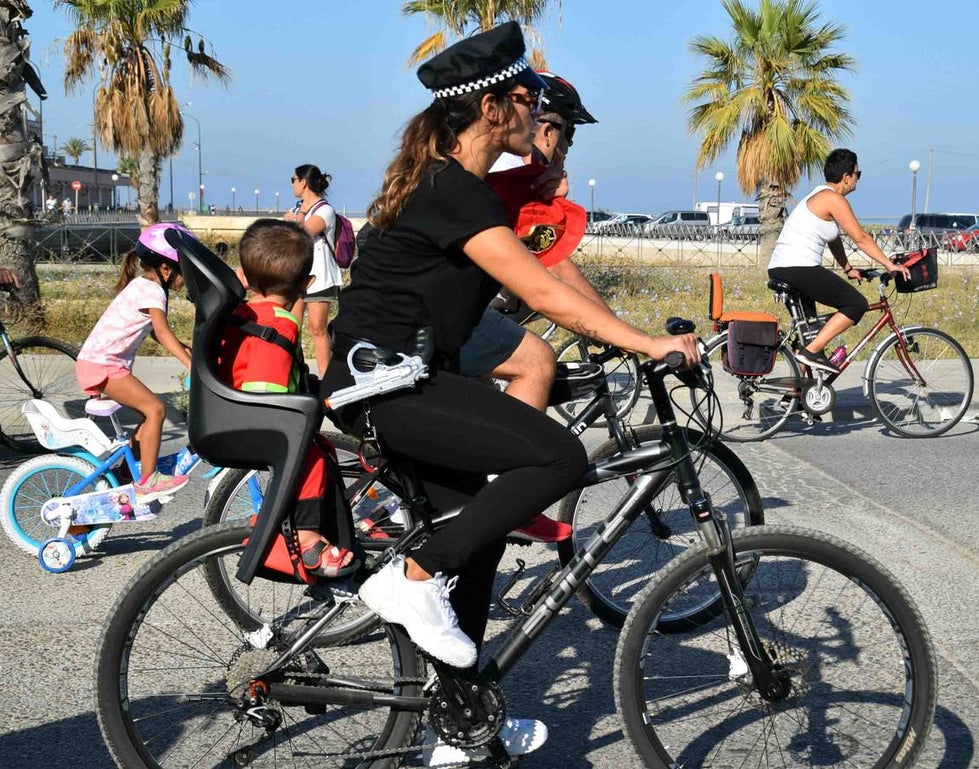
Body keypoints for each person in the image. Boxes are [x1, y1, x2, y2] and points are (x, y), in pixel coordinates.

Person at [319, 22, 698, 765]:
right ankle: (412, 577)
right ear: (493, 109)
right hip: (384, 385)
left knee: (481, 536)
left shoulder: (449, 183)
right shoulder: (453, 190)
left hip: (399, 379)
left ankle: (460, 726)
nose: (539, 112)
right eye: (528, 99)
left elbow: (545, 280)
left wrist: (622, 331)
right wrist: (650, 343)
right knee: (558, 457)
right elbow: (541, 291)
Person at [450, 71, 601, 544]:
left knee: (469, 420)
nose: (566, 148)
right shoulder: (520, 171)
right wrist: (618, 330)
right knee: (535, 360)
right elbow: (554, 271)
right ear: (548, 129)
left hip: (442, 303)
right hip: (440, 310)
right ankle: (507, 493)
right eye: (568, 135)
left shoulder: (501, 167)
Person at [216, 219, 355, 578]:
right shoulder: (279, 326)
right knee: (314, 461)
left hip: (230, 410)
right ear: (307, 285)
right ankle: (309, 542)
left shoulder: (242, 312)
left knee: (319, 449)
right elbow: (267, 388)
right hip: (260, 420)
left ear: (243, 276)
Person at [75, 223, 193, 501]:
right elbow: (163, 334)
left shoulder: (143, 286)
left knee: (148, 412)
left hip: (97, 362)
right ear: (166, 269)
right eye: (184, 271)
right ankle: (147, 481)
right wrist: (191, 365)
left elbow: (154, 333)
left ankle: (129, 471)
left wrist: (191, 352)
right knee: (155, 409)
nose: (185, 279)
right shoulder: (154, 292)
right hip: (102, 365)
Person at [767, 148, 910, 373]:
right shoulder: (833, 199)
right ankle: (811, 351)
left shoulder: (820, 194)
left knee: (810, 334)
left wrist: (848, 268)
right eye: (858, 174)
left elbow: (833, 239)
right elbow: (861, 238)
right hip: (798, 267)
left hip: (782, 267)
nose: (857, 180)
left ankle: (796, 396)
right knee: (856, 305)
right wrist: (890, 265)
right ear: (846, 177)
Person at [283, 164, 343, 378]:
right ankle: (293, 371)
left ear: (303, 182)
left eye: (293, 179)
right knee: (292, 326)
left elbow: (305, 233)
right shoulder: (299, 208)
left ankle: (326, 377)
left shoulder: (324, 210)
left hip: (320, 277)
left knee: (317, 327)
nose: (291, 184)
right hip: (298, 275)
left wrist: (294, 221)